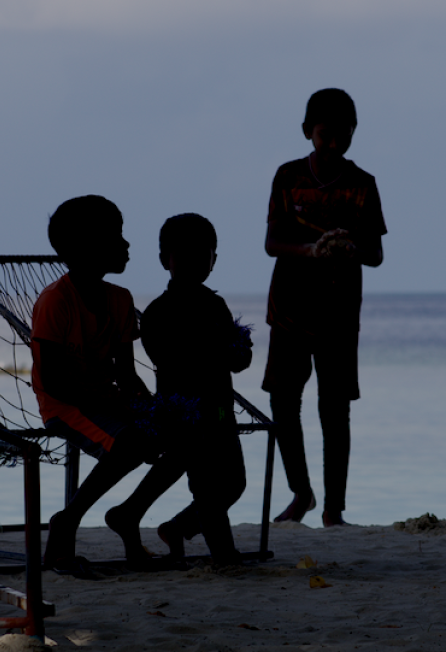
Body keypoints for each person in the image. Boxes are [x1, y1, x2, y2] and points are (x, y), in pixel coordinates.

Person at [31, 195, 177, 572]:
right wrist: (116, 406)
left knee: (181, 436)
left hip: (106, 401)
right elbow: (52, 382)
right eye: (116, 236)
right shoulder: (55, 301)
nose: (126, 245)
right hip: (64, 404)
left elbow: (126, 374)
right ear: (85, 248)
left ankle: (129, 514)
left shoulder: (120, 299)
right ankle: (68, 521)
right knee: (129, 442)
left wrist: (152, 410)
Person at [263, 88, 386, 527]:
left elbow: (375, 253)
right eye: (325, 135)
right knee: (283, 404)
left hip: (338, 315)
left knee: (334, 410)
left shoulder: (363, 184)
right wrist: (311, 250)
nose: (334, 145)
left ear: (354, 133)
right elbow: (272, 243)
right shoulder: (288, 176)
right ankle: (302, 494)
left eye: (344, 135)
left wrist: (350, 247)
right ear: (307, 132)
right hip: (290, 311)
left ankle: (334, 509)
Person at [140, 213, 251, 566]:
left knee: (233, 482)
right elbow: (167, 360)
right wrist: (212, 349)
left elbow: (236, 358)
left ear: (213, 261)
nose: (194, 263)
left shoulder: (215, 304)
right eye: (182, 255)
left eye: (203, 256)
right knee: (206, 485)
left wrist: (238, 351)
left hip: (220, 408)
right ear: (164, 260)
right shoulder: (157, 312)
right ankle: (224, 554)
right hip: (185, 414)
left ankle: (178, 528)